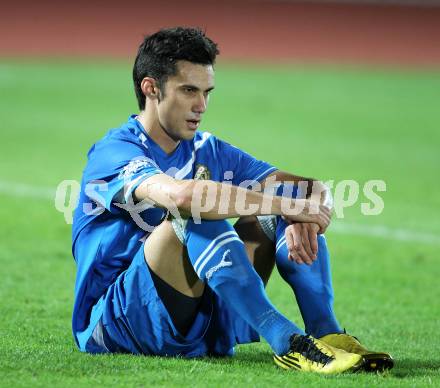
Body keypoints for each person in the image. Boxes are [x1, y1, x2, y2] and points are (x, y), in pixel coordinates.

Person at [72, 27, 393, 374]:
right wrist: (286, 206)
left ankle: (327, 333)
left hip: (202, 321)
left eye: (207, 92)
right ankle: (288, 342)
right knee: (194, 206)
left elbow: (310, 189)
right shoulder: (115, 151)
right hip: (122, 321)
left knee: (279, 198)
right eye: (189, 91)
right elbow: (182, 195)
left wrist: (303, 213)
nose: (202, 106)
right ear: (151, 88)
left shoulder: (206, 148)